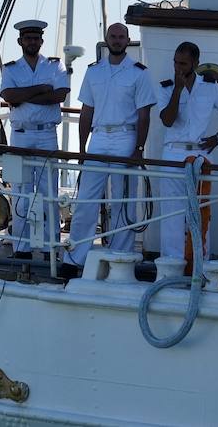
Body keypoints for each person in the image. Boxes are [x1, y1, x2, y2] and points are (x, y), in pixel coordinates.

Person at [68, 23, 157, 270]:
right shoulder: (94, 72)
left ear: (128, 41)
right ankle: (76, 256)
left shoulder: (139, 73)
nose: (117, 40)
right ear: (106, 39)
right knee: (86, 199)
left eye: (121, 37)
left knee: (123, 200)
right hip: (98, 137)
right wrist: (82, 149)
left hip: (125, 137)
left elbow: (144, 115)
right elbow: (86, 112)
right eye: (113, 36)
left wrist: (139, 150)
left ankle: (120, 257)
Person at [155, 41, 218, 271]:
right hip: (173, 154)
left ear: (196, 63)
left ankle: (199, 265)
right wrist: (177, 90)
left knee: (201, 211)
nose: (178, 67)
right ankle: (172, 266)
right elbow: (167, 120)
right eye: (175, 62)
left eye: (183, 63)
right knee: (171, 212)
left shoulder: (210, 87)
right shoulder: (165, 87)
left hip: (200, 155)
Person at [0, 19, 70, 260]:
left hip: (47, 134)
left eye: (36, 38)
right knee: (20, 191)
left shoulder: (54, 66)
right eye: (27, 38)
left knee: (49, 191)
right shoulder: (10, 68)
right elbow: (9, 96)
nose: (32, 42)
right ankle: (22, 247)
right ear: (20, 42)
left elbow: (59, 95)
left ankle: (51, 246)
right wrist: (41, 89)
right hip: (20, 135)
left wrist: (25, 96)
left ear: (41, 41)